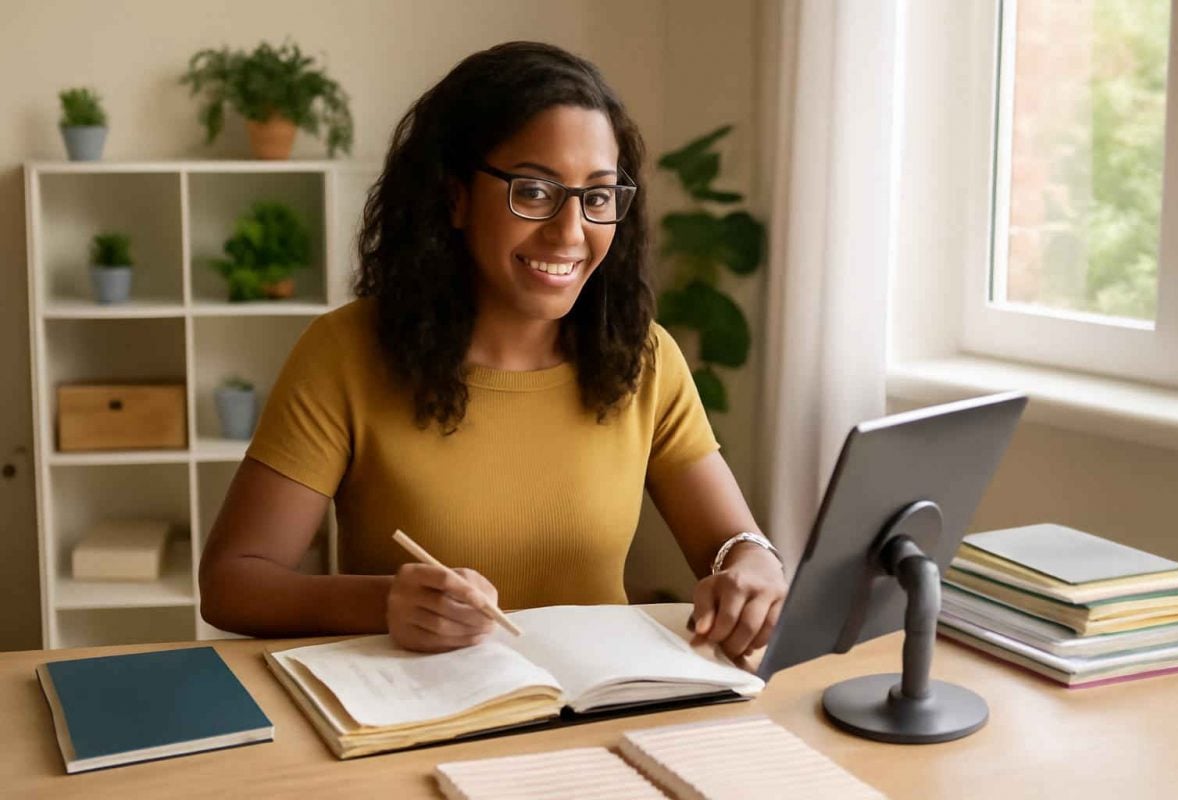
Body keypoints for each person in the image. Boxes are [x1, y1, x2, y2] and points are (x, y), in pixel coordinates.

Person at [199, 41, 787, 660]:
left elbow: (731, 540)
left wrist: (754, 563)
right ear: (454, 197)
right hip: (415, 717)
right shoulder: (345, 353)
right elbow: (233, 581)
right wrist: (384, 603)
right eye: (533, 191)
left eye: (598, 196)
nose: (570, 232)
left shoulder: (643, 359)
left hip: (597, 712)